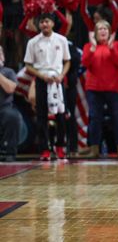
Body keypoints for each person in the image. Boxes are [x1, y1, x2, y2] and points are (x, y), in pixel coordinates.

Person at [24, 13, 71, 161]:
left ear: (52, 23)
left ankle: (60, 147)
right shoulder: (33, 42)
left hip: (57, 80)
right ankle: (45, 149)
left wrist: (62, 76)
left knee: (61, 115)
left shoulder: (62, 40)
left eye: (47, 21)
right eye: (42, 22)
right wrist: (41, 76)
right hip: (42, 80)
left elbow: (67, 61)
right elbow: (28, 66)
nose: (45, 24)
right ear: (39, 25)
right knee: (41, 115)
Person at [82, 20, 118, 158]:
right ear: (95, 33)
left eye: (105, 29)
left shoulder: (117, 45)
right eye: (100, 29)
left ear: (109, 32)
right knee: (95, 118)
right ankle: (94, 149)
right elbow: (85, 63)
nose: (102, 31)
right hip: (94, 89)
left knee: (117, 118)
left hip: (113, 88)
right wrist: (93, 49)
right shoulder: (88, 46)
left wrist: (112, 47)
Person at [0, 47, 22, 162]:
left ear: (2, 56)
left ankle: (9, 152)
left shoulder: (8, 72)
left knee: (12, 116)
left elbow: (10, 88)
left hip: (4, 108)